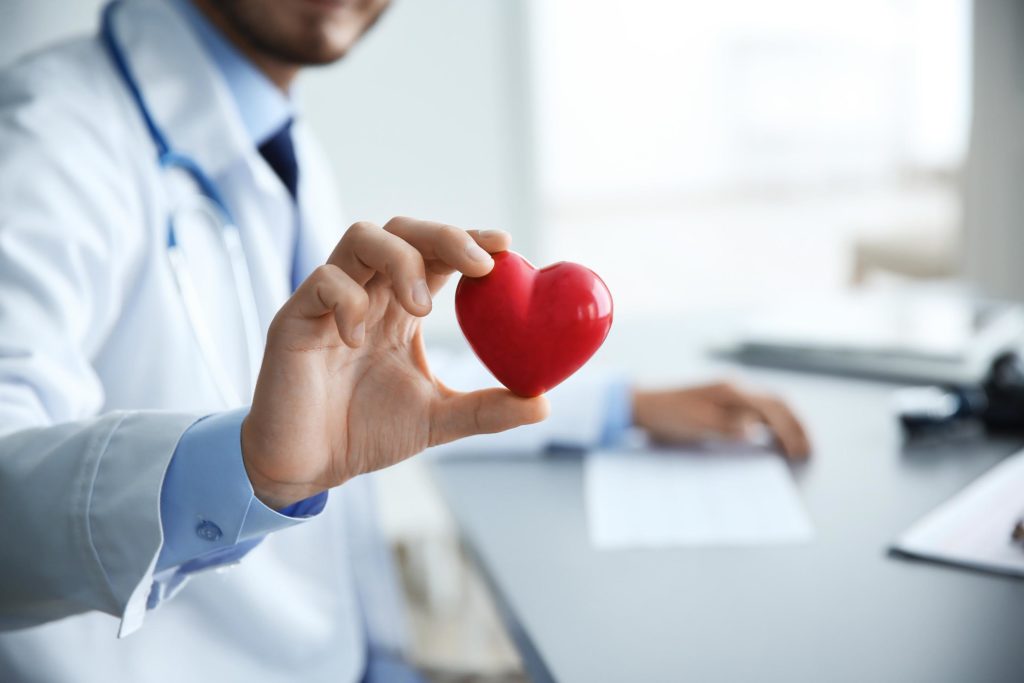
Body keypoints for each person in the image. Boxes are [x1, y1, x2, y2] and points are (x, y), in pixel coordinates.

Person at [0, 0, 810, 680]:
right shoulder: (44, 140)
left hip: (351, 650)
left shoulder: (273, 127)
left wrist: (624, 403)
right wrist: (243, 468)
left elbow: (376, 374)